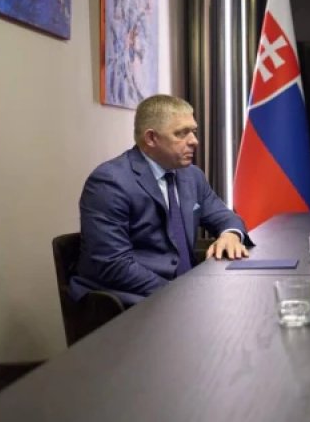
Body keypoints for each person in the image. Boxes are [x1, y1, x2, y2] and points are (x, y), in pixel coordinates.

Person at [70, 95, 252, 306]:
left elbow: (224, 216)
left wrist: (231, 234)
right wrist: (182, 294)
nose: (194, 141)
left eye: (193, 131)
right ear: (151, 138)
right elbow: (112, 265)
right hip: (128, 298)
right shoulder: (110, 181)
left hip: (183, 293)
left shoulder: (192, 176)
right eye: (181, 133)